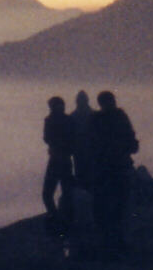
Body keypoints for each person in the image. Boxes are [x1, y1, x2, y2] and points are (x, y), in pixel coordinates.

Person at [88, 90, 139, 257]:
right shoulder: (120, 117)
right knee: (121, 205)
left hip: (104, 169)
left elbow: (92, 144)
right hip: (119, 166)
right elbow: (131, 141)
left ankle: (108, 241)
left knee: (106, 206)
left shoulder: (96, 120)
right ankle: (121, 241)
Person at [41, 96, 77, 237]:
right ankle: (65, 220)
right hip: (66, 160)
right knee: (66, 192)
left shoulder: (50, 120)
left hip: (56, 159)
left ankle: (56, 218)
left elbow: (47, 138)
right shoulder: (68, 120)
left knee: (48, 193)